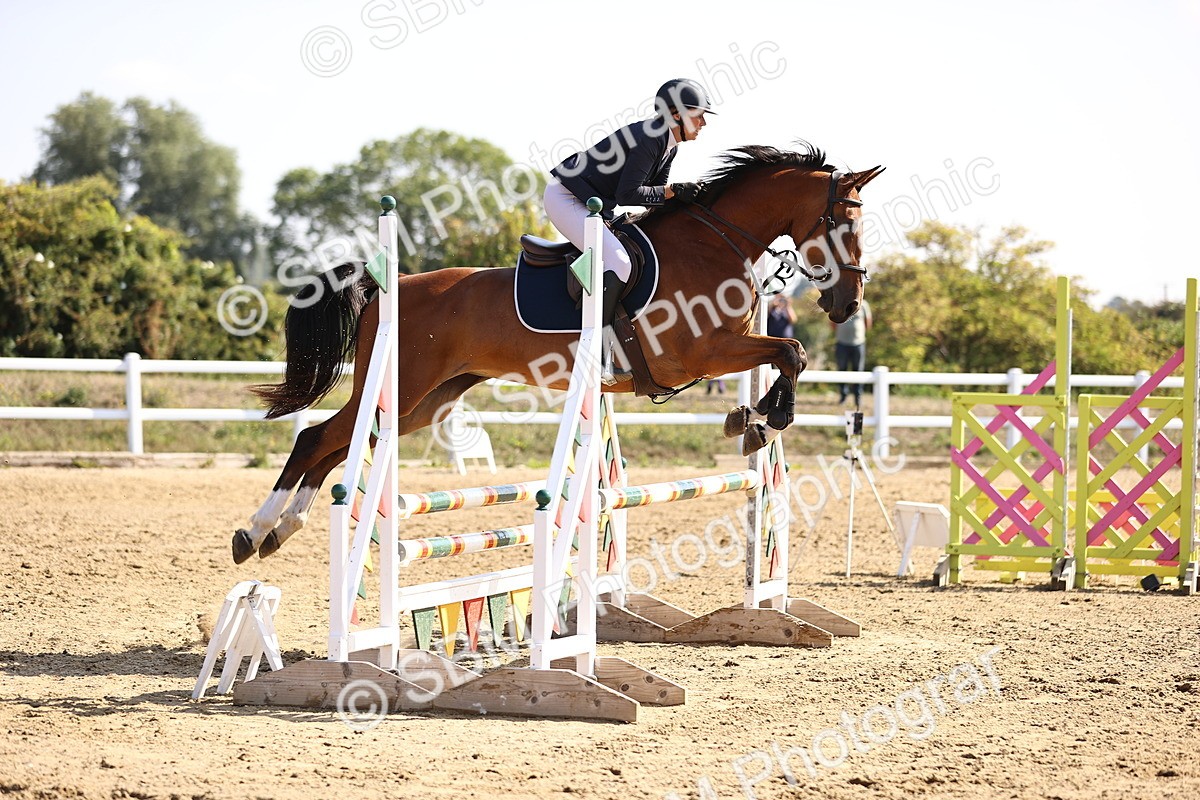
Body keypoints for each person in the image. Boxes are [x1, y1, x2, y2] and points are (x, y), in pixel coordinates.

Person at [544, 78, 715, 382]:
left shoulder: (669, 146)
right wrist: (674, 191)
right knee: (620, 263)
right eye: (698, 114)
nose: (703, 123)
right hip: (567, 197)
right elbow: (630, 195)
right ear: (676, 114)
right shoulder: (651, 138)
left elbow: (657, 196)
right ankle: (596, 350)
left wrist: (687, 200)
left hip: (594, 203)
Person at [832, 299, 872, 407]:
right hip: (841, 343)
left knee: (858, 370)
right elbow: (833, 323)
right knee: (842, 370)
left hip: (858, 343)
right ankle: (843, 396)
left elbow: (868, 322)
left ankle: (858, 397)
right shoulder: (839, 303)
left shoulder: (863, 304)